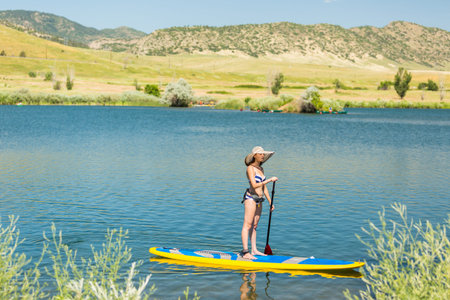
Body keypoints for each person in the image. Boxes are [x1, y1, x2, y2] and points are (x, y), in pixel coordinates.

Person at [241, 146, 278, 259]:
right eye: (260, 154)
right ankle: (246, 252)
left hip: (259, 200)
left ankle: (254, 250)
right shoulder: (250, 168)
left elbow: (264, 188)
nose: (262, 155)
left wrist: (270, 202)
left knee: (255, 226)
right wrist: (269, 180)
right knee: (247, 225)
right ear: (254, 156)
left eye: (263, 154)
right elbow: (254, 185)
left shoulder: (261, 169)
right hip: (251, 198)